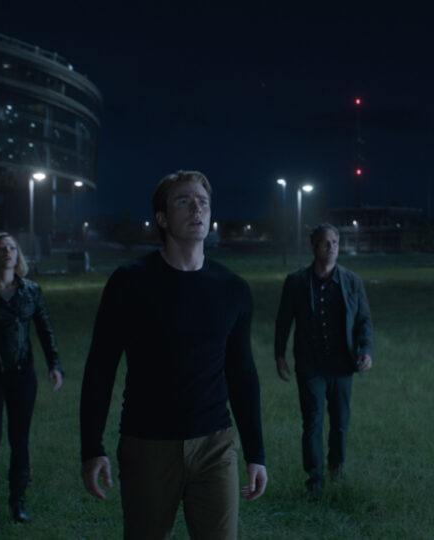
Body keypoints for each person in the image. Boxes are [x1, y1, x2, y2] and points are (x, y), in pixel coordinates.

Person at [80, 170, 267, 539]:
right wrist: (91, 448)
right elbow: (100, 368)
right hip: (147, 444)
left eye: (203, 202)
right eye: (184, 201)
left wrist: (256, 453)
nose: (197, 208)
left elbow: (242, 374)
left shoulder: (233, 289)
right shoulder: (130, 283)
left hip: (215, 445)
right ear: (162, 219)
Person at [0, 232, 64, 534]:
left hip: (22, 375)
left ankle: (18, 503)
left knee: (20, 439)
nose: (7, 252)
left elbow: (45, 329)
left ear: (18, 255)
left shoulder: (31, 291)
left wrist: (54, 365)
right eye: (0, 248)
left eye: (11, 248)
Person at [275, 223, 374, 500]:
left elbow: (364, 320)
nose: (331, 247)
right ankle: (315, 481)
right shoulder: (296, 281)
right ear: (313, 246)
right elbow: (284, 320)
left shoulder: (352, 281)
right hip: (311, 365)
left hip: (342, 365)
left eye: (335, 242)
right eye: (325, 242)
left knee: (340, 422)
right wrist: (279, 355)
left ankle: (336, 471)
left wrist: (366, 350)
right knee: (312, 422)